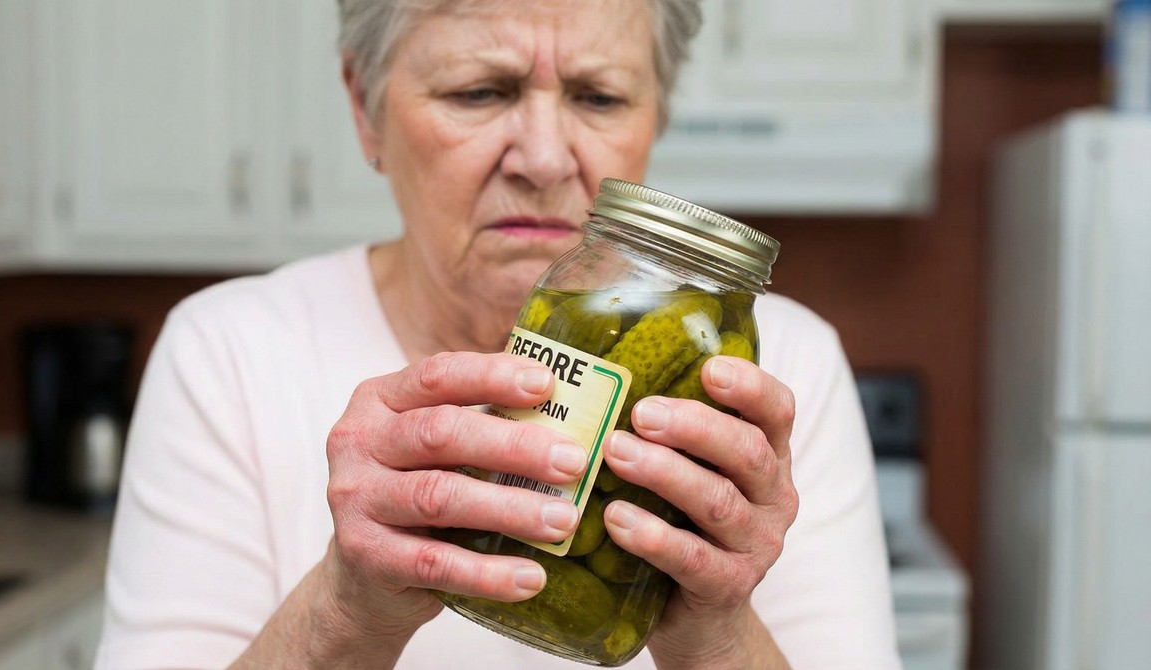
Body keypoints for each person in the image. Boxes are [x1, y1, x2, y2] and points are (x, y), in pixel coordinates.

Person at [94, 0, 900, 667]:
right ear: (363, 108)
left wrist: (714, 628)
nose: (545, 159)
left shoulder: (777, 375)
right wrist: (344, 609)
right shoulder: (228, 353)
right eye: (479, 91)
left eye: (599, 97)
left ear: (658, 111)